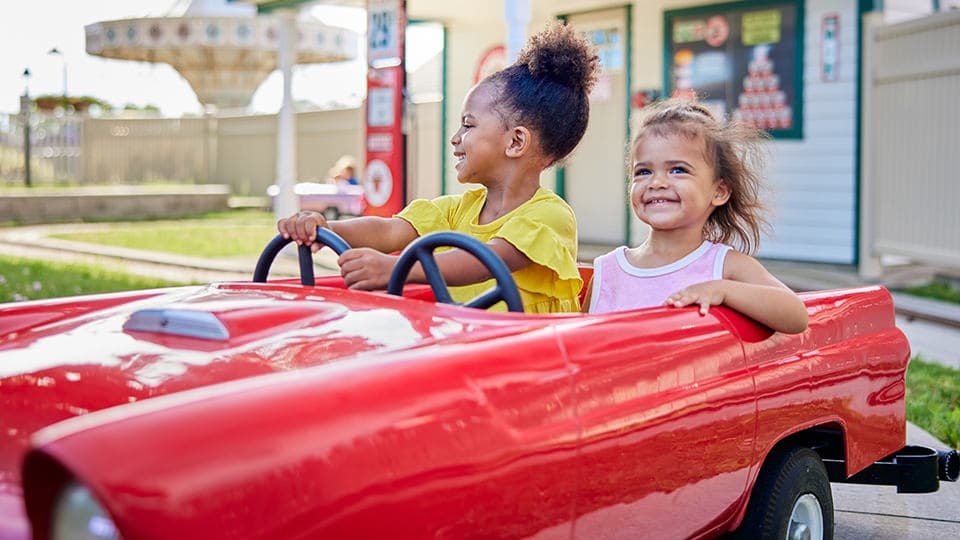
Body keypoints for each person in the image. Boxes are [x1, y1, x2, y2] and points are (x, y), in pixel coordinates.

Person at [278, 22, 600, 313]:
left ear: (515, 142)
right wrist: (326, 230)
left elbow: (484, 261)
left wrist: (395, 270)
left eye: (467, 125)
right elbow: (389, 230)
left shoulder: (550, 216)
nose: (455, 138)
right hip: (471, 354)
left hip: (538, 365)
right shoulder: (457, 211)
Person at [582, 99, 809, 334]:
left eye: (678, 170)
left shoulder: (725, 266)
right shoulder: (608, 271)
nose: (657, 182)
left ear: (719, 191)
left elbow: (796, 315)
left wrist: (723, 290)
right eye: (644, 171)